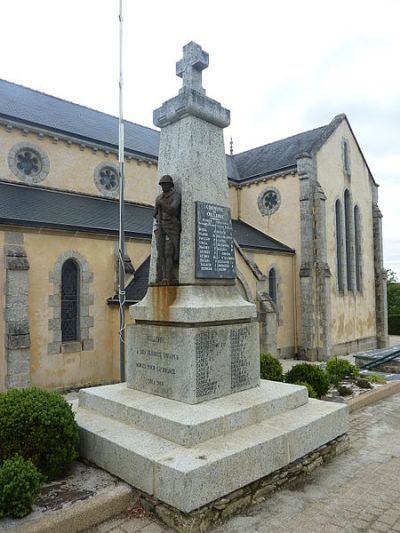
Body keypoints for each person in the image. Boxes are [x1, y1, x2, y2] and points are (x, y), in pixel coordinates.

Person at [154, 175, 181, 283]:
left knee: (168, 253)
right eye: (162, 184)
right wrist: (157, 216)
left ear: (170, 185)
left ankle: (168, 277)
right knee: (160, 253)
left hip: (172, 227)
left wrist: (162, 204)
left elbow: (173, 210)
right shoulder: (159, 197)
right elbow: (155, 213)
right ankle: (159, 276)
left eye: (165, 184)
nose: (163, 186)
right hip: (160, 227)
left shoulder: (176, 196)